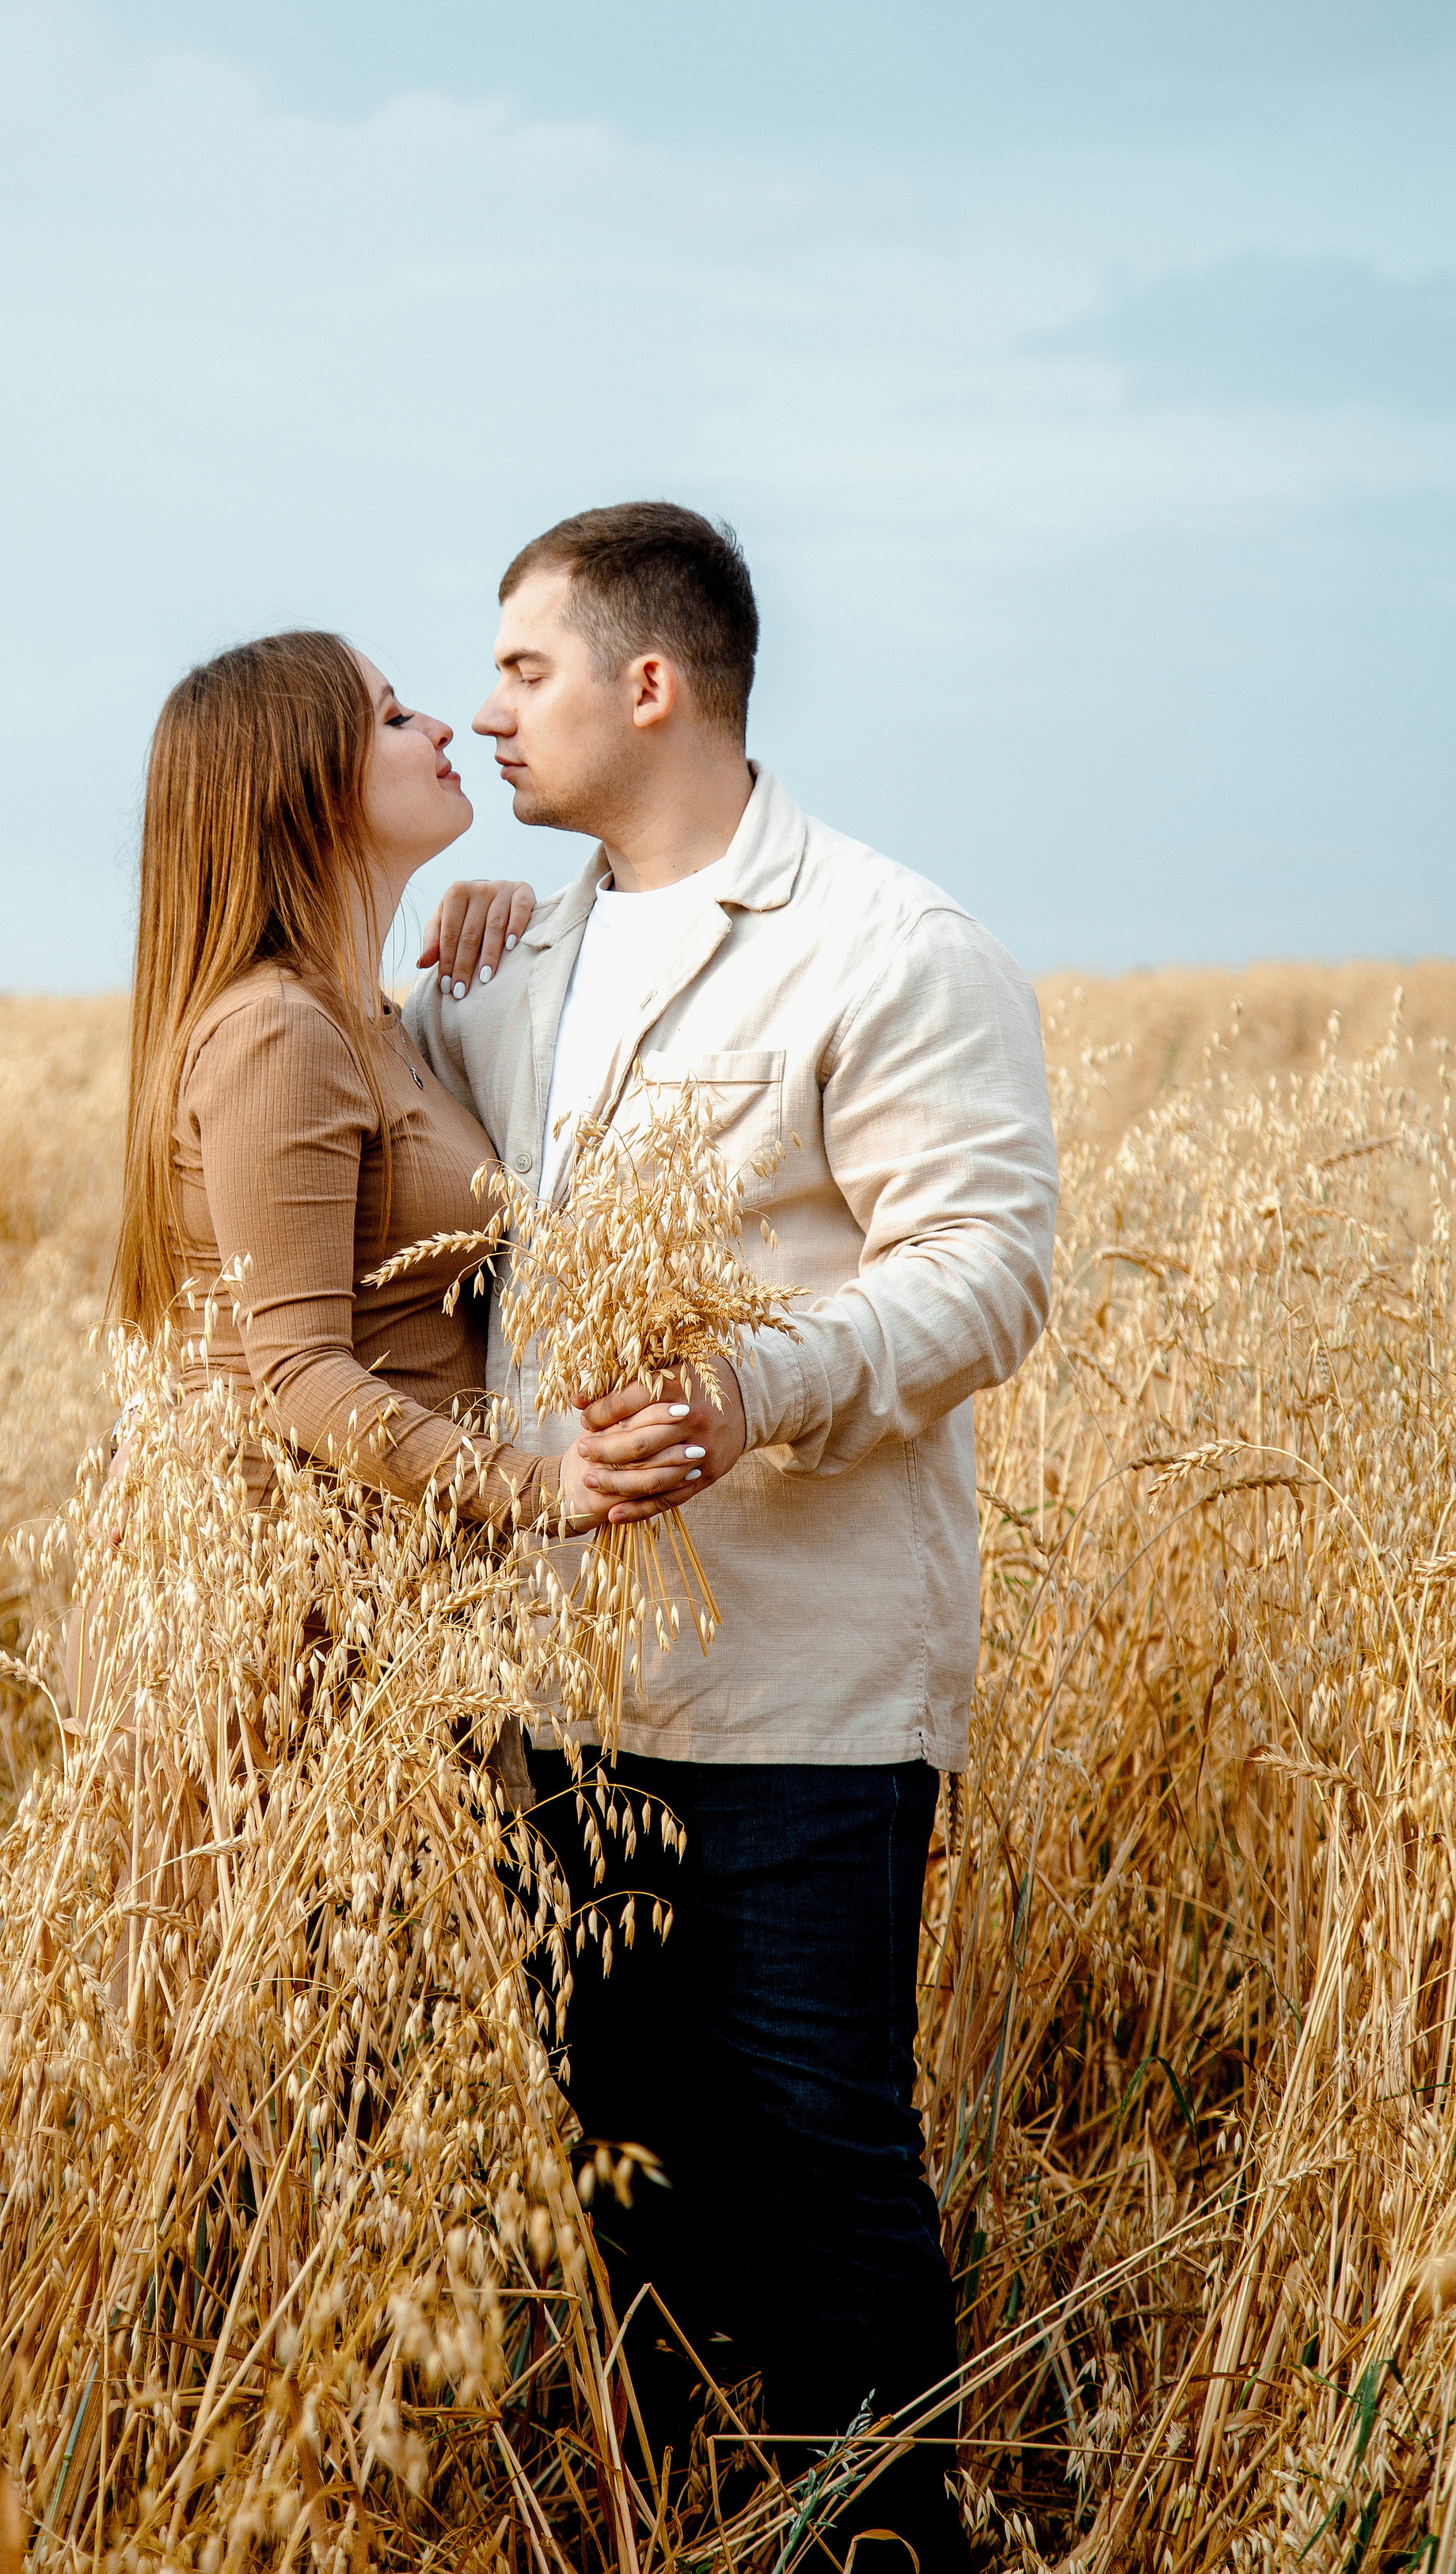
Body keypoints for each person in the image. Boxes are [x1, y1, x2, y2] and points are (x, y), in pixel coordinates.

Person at [405, 505, 1059, 2570]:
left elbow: (990, 1266)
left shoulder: (891, 940)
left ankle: (883, 2549)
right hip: (557, 1688)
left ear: (651, 684)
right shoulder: (524, 964)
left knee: (822, 2183)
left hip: (799, 1699)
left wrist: (755, 1384)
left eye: (523, 667)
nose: (490, 705)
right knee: (627, 2192)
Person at [84, 628, 706, 1709]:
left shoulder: (369, 1020)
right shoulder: (280, 1033)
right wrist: (549, 1487)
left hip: (380, 1595)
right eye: (391, 715)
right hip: (274, 1624)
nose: (442, 726)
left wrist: (524, 929)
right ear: (308, 789)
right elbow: (299, 1372)